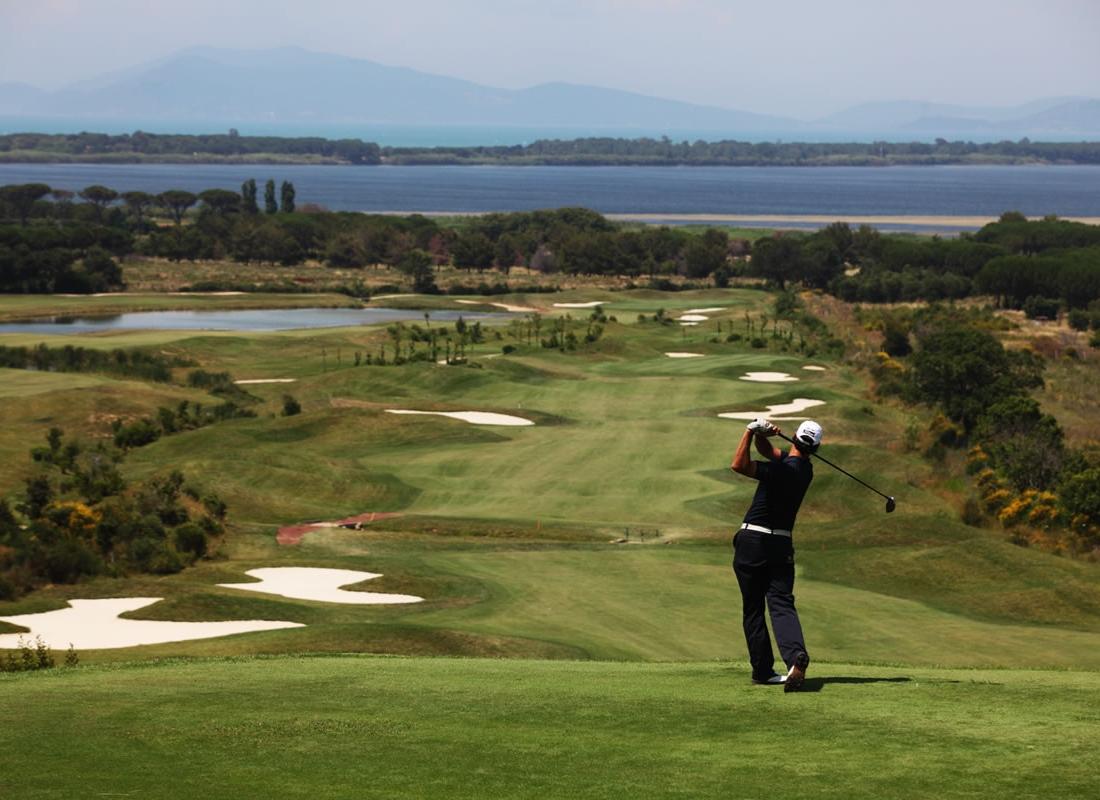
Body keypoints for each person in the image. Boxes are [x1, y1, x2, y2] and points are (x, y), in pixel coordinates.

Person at [729, 417, 823, 692]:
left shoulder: (781, 471)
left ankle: (762, 670)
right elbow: (769, 452)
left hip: (753, 541)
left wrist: (748, 431)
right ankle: (795, 659)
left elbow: (739, 465)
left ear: (794, 438)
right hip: (781, 546)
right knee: (782, 603)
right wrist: (764, 434)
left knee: (754, 608)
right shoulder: (805, 470)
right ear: (815, 448)